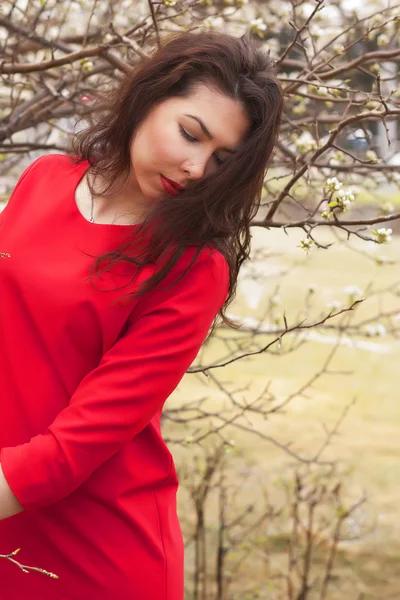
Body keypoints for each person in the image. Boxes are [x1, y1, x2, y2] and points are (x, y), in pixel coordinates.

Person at [0, 30, 283, 600]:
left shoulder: (190, 268)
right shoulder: (45, 179)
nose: (198, 167)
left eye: (222, 158)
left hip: (92, 556)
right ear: (149, 97)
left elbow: (74, 447)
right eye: (190, 134)